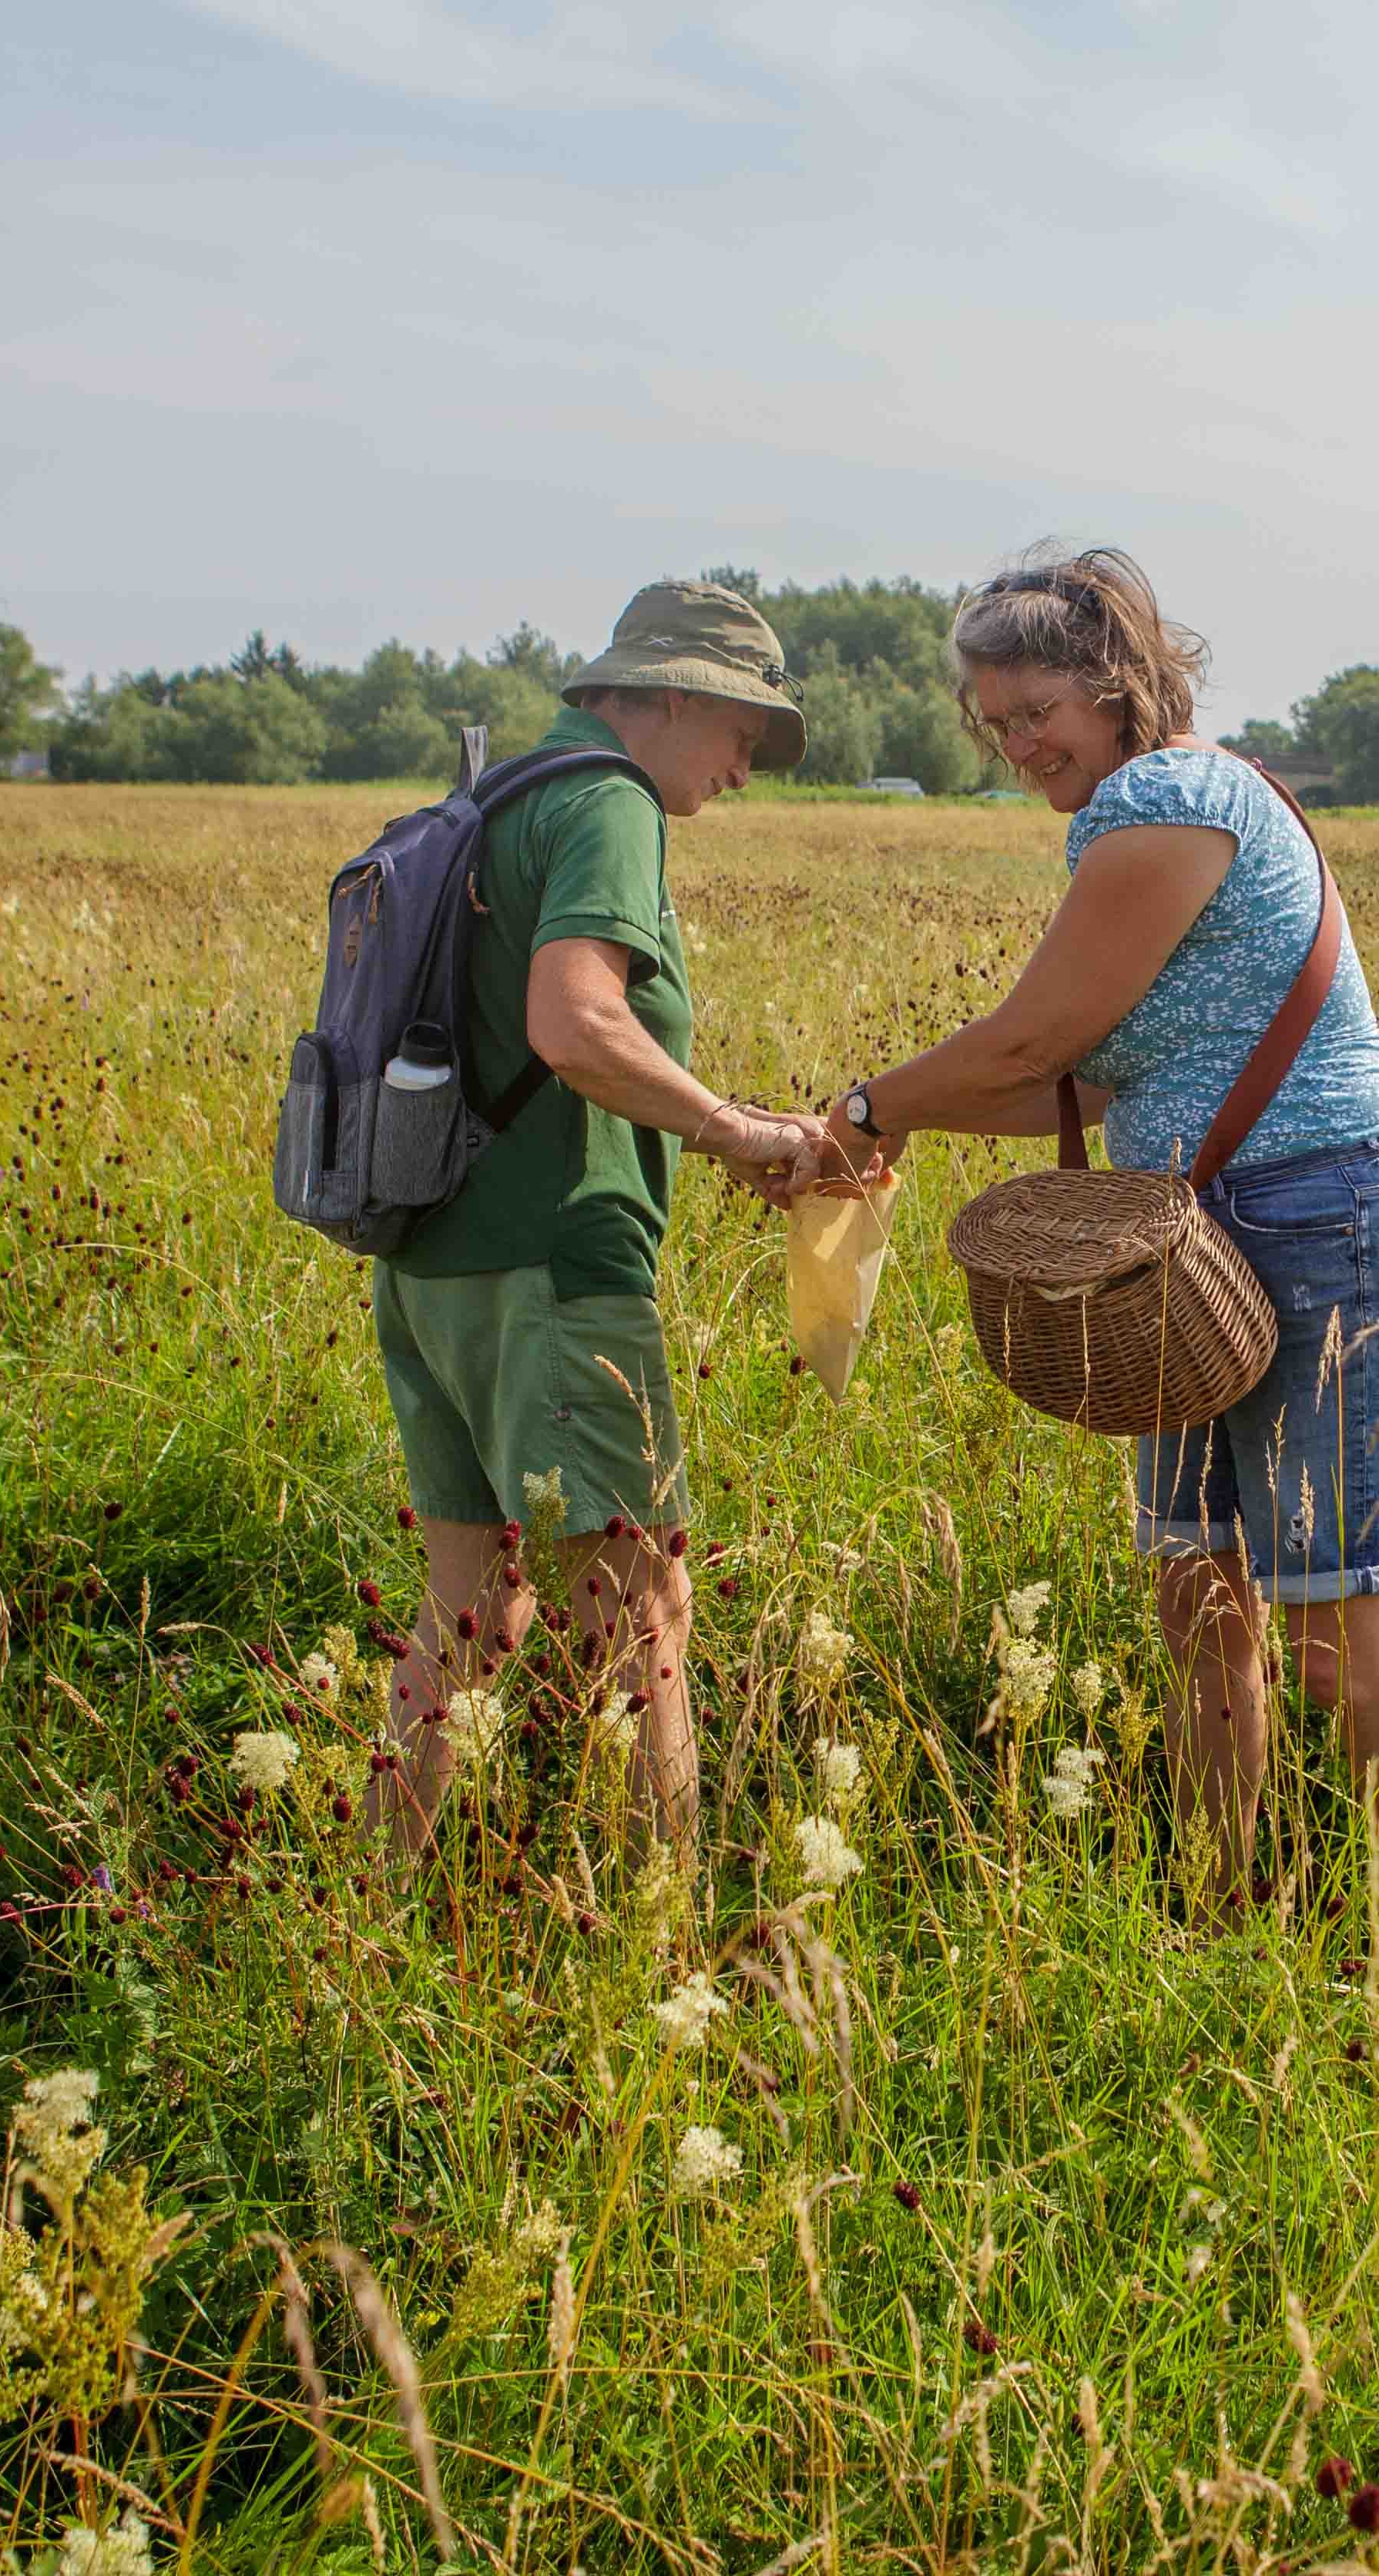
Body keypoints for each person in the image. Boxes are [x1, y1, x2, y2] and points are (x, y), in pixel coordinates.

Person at [819, 549, 1379, 1892]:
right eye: (993, 725)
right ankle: (1223, 1911)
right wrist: (881, 1123)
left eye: (1034, 709)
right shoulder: (1138, 807)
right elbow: (1091, 1078)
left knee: (1342, 1642)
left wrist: (871, 1105)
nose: (1016, 745)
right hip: (1177, 1250)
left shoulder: (1170, 796)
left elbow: (1040, 1032)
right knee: (1201, 1605)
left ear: (1117, 684)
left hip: (1317, 1216)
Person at [373, 579, 834, 1863]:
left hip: (431, 1265)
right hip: (554, 1274)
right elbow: (573, 1022)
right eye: (746, 731)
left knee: (471, 1617)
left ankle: (374, 1905)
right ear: (673, 696)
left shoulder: (503, 794)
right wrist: (734, 1131)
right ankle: (657, 1944)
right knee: (646, 1617)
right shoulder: (609, 803)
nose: (748, 768)